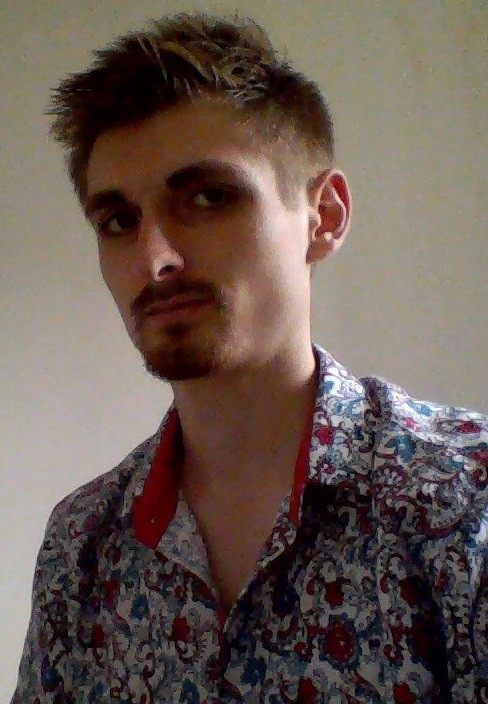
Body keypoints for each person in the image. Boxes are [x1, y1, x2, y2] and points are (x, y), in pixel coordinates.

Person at [12, 11, 488, 704]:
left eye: (209, 197)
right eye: (118, 220)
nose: (154, 258)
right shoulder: (79, 545)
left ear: (324, 217)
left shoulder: (466, 498)